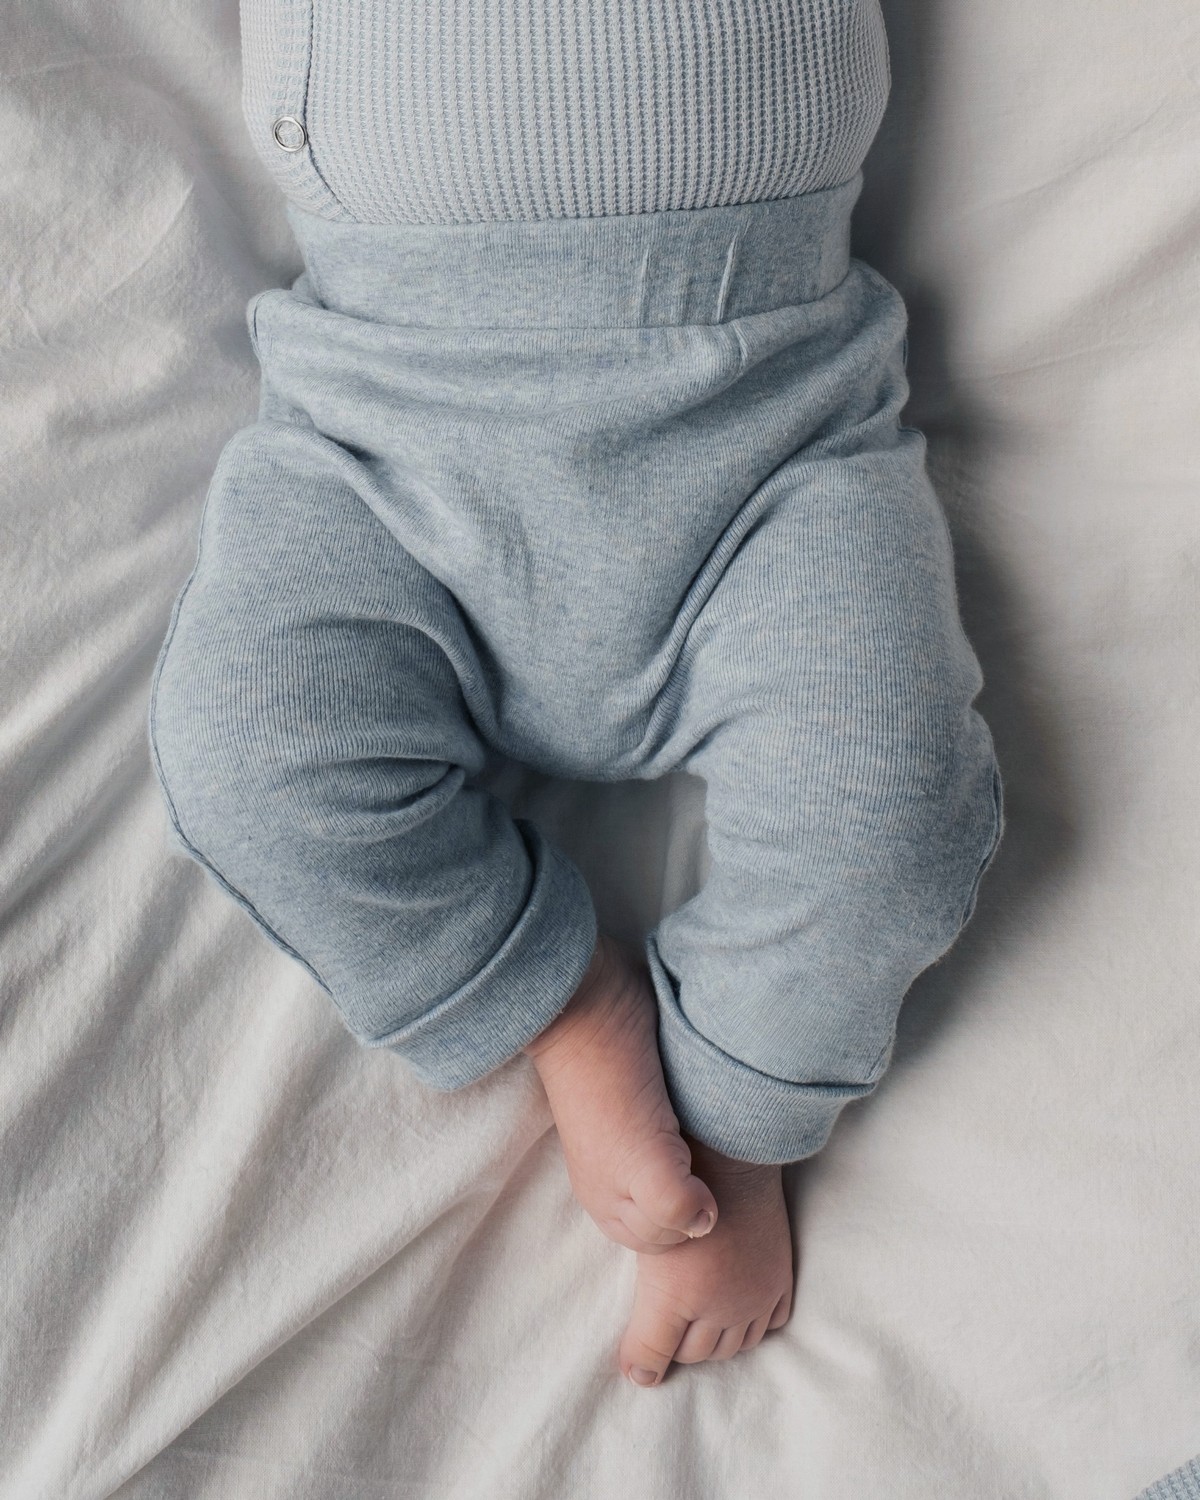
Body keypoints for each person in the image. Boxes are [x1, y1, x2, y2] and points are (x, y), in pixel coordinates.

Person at [148, 0, 1005, 1389]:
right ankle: (565, 1007)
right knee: (249, 750)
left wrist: (745, 1121)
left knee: (886, 803)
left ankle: (731, 1125)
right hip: (386, 447)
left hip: (774, 437)